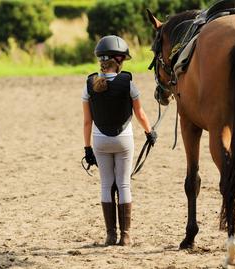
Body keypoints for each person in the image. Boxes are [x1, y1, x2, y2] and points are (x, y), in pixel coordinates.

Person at [82, 35, 157, 246]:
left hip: (99, 141)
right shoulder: (128, 83)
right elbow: (140, 113)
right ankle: (125, 236)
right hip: (124, 140)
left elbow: (87, 122)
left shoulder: (89, 84)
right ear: (120, 61)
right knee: (123, 184)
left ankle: (110, 235)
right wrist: (149, 132)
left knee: (106, 185)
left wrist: (87, 148)